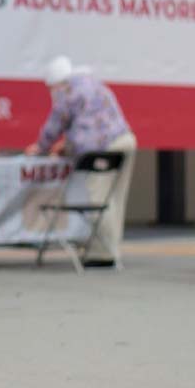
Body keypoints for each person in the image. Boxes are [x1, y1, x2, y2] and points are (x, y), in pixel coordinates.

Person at [25, 56, 136, 264]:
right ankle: (111, 249)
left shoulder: (67, 92)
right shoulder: (93, 83)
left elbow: (56, 124)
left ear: (56, 82)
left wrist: (40, 148)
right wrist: (68, 146)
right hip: (126, 140)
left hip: (104, 149)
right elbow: (87, 126)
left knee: (98, 196)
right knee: (115, 199)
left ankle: (102, 253)